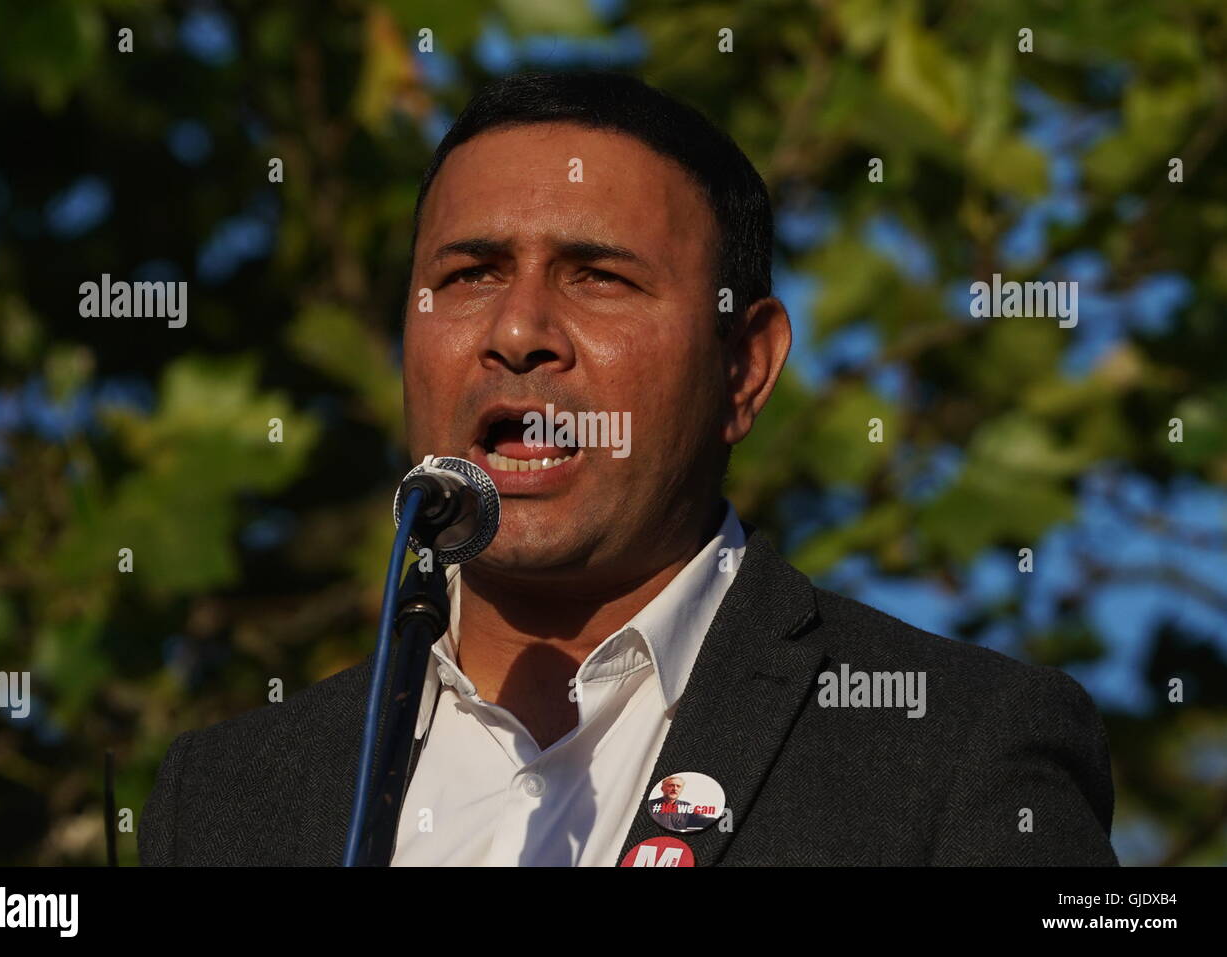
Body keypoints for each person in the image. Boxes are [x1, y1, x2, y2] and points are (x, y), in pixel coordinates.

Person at [140, 71, 1118, 867]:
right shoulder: (228, 794)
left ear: (743, 370)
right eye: (469, 274)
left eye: (598, 277)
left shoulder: (951, 745)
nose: (516, 331)